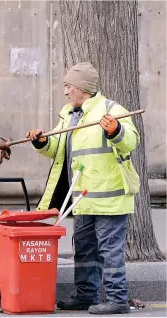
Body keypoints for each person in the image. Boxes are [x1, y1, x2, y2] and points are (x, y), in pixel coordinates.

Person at [26, 62, 141, 315]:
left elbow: (130, 142)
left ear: (82, 88)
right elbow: (56, 146)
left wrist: (116, 131)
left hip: (110, 198)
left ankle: (117, 300)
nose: (66, 92)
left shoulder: (111, 109)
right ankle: (86, 296)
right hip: (83, 198)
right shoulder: (69, 113)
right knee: (85, 250)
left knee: (110, 252)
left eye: (68, 86)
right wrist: (42, 141)